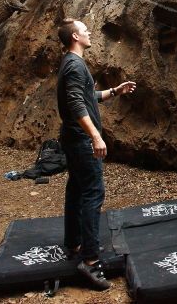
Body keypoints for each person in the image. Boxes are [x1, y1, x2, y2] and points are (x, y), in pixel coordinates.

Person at [56, 18, 136, 290]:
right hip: (81, 140)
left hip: (73, 139)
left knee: (77, 189)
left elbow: (88, 94)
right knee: (93, 192)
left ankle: (74, 242)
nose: (90, 32)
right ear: (76, 37)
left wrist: (114, 90)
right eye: (85, 30)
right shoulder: (75, 65)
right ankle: (89, 261)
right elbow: (76, 102)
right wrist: (95, 135)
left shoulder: (71, 62)